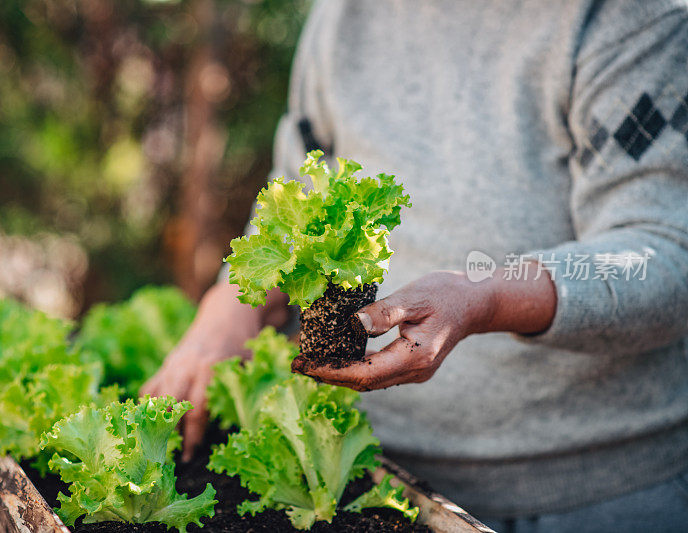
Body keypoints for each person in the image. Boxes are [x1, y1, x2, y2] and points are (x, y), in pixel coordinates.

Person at [141, 1, 688, 531]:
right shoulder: (344, 16)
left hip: (591, 493)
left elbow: (663, 254)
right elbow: (298, 196)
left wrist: (487, 296)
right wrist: (233, 303)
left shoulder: (624, 17)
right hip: (371, 477)